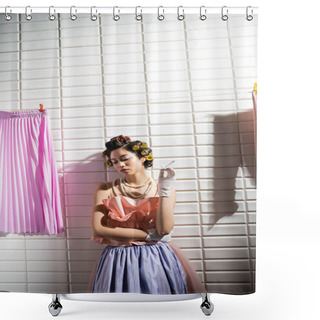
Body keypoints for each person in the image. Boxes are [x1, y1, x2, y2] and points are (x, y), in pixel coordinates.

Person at [89, 135, 206, 294]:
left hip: (156, 256)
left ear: (142, 157)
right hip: (118, 257)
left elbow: (164, 230)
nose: (120, 165)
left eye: (124, 158)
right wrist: (148, 235)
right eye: (115, 161)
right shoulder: (106, 189)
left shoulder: (163, 188)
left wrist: (165, 190)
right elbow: (98, 230)